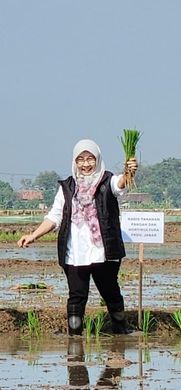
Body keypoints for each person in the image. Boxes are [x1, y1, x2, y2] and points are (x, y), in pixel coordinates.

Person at [18, 139, 136, 335]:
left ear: (97, 159)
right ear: (75, 162)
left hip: (103, 251)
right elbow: (54, 217)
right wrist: (33, 235)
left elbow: (121, 184)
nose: (86, 164)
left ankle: (120, 332)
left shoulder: (107, 180)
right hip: (75, 252)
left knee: (111, 293)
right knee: (76, 296)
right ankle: (74, 339)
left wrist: (130, 172)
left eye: (90, 159)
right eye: (80, 159)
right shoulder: (67, 187)